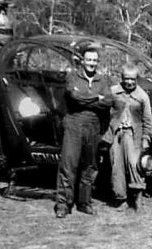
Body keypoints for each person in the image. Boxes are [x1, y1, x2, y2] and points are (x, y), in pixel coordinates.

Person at [54, 47, 112, 218]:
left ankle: (84, 202)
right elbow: (73, 97)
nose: (92, 63)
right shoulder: (73, 76)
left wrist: (92, 99)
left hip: (93, 126)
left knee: (90, 166)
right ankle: (63, 204)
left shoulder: (103, 80)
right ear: (83, 60)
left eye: (95, 60)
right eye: (89, 60)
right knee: (68, 165)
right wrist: (96, 98)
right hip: (74, 123)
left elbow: (108, 101)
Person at [102, 64, 152, 211]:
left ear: (137, 79)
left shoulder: (143, 96)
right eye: (126, 79)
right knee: (116, 166)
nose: (129, 82)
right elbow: (104, 113)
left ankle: (138, 197)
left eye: (133, 79)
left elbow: (148, 119)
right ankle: (121, 198)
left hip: (134, 135)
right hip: (116, 134)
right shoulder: (113, 92)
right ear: (121, 78)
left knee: (134, 164)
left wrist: (146, 138)